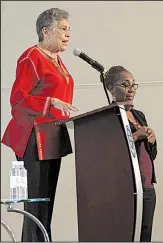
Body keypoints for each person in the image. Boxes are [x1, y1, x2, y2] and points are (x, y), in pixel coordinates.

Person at [1, 8, 78, 242]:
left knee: (46, 204)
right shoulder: (31, 57)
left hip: (53, 136)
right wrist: (50, 102)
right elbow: (17, 100)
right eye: (63, 29)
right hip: (32, 138)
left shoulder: (57, 60)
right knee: (34, 205)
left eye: (69, 30)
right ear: (46, 31)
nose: (68, 35)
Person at [104, 66, 157, 242]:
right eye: (125, 85)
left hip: (147, 185)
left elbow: (151, 154)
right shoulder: (106, 116)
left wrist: (152, 139)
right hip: (125, 187)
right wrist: (135, 136)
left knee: (145, 235)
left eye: (134, 85)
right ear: (111, 89)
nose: (131, 90)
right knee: (124, 235)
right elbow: (108, 152)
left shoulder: (138, 115)